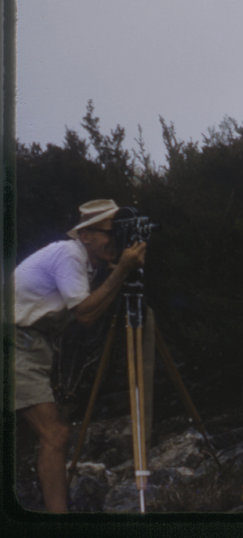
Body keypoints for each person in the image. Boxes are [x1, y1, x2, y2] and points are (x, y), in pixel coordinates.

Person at [14, 199, 146, 512]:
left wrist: (118, 270)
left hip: (31, 344)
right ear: (85, 235)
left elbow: (91, 309)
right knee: (55, 434)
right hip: (16, 343)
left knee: (52, 434)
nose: (116, 240)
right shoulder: (69, 254)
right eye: (111, 232)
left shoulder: (88, 263)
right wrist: (123, 269)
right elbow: (85, 314)